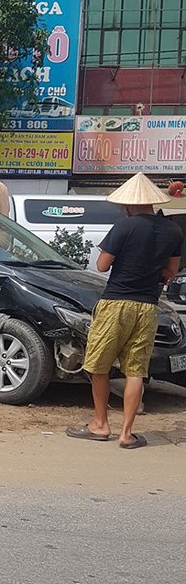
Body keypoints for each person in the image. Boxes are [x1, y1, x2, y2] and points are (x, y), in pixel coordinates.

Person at [66, 172, 183, 449]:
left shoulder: (124, 227)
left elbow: (102, 265)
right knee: (135, 370)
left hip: (116, 303)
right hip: (148, 306)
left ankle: (100, 424)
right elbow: (171, 270)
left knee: (98, 365)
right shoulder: (173, 231)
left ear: (129, 204)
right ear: (153, 203)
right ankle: (126, 434)